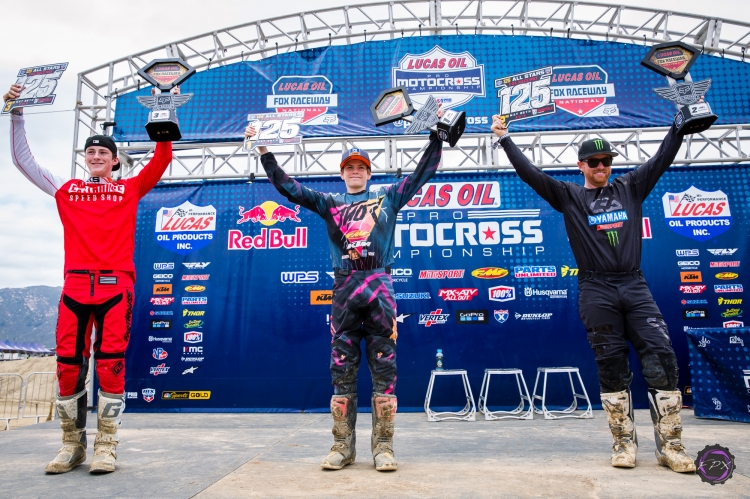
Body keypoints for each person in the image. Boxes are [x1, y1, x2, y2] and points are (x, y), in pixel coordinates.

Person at [491, 114, 696, 473]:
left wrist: (677, 126)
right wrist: (505, 139)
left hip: (634, 284)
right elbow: (531, 175)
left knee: (662, 357)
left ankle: (671, 447)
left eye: (607, 161)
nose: (602, 166)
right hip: (595, 287)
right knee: (611, 365)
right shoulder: (569, 195)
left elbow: (662, 157)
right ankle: (623, 443)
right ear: (581, 165)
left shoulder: (630, 186)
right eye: (594, 162)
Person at [245, 117, 443, 471]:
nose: (355, 171)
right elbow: (291, 189)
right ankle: (342, 447)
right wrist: (264, 152)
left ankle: (383, 448)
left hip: (379, 289)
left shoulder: (388, 198)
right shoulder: (329, 202)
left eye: (361, 167)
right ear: (341, 173)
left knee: (386, 370)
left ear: (368, 173)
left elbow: (420, 175)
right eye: (349, 167)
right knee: (341, 371)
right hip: (344, 291)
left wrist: (436, 138)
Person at [4, 83, 173, 474]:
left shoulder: (129, 189)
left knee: (111, 364)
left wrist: (164, 116)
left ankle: (107, 446)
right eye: (91, 152)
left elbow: (161, 159)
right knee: (67, 364)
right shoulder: (66, 188)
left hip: (117, 286)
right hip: (76, 286)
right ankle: (71, 445)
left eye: (103, 153)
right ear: (85, 159)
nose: (96, 156)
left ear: (114, 161)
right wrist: (15, 112)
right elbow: (23, 160)